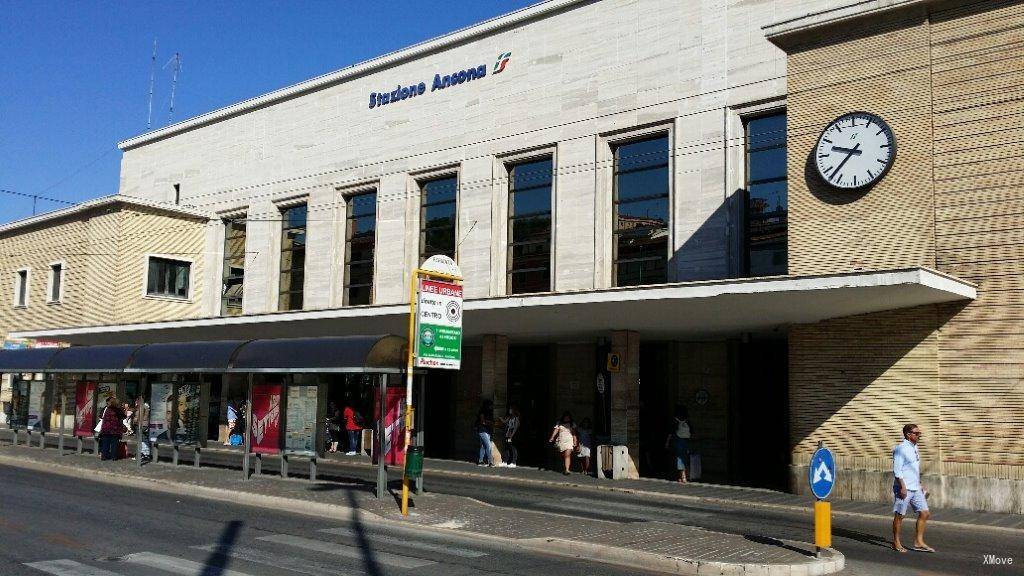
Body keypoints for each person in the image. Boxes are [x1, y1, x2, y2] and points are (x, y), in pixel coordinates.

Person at [892, 423, 933, 553]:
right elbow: (897, 470)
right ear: (908, 434)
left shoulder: (915, 447)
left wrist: (919, 484)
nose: (919, 435)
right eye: (916, 433)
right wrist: (902, 487)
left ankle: (918, 542)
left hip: (915, 487)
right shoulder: (900, 449)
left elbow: (913, 468)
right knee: (900, 516)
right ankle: (896, 542)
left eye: (919, 433)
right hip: (904, 488)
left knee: (925, 513)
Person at [664, 405, 691, 483]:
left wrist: (667, 442)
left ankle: (683, 476)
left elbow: (671, 433)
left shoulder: (675, 421)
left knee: (679, 458)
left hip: (677, 441)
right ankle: (685, 476)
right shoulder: (687, 421)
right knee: (685, 458)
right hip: (686, 441)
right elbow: (692, 432)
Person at [97, 396, 125, 461]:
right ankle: (113, 457)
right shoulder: (117, 410)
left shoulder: (106, 409)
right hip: (115, 429)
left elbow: (101, 416)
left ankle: (104, 456)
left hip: (106, 429)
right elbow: (123, 417)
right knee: (114, 444)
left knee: (105, 443)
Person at [548, 411, 576, 475]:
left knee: (567, 455)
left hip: (569, 440)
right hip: (561, 440)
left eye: (568, 417)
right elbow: (556, 430)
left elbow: (574, 433)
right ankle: (565, 466)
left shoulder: (572, 424)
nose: (566, 418)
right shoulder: (559, 423)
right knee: (564, 455)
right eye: (565, 417)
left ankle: (567, 470)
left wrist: (575, 440)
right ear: (563, 417)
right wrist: (552, 437)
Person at [475, 400, 495, 466]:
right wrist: (491, 423)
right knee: (488, 445)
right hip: (482, 430)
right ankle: (490, 462)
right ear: (487, 405)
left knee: (483, 446)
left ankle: (480, 461)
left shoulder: (490, 412)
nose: (492, 407)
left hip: (488, 431)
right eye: (490, 405)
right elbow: (483, 421)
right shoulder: (482, 412)